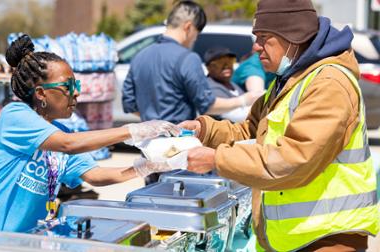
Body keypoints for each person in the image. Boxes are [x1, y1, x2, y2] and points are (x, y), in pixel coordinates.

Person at [178, 0, 379, 251]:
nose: (255, 46)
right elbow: (250, 130)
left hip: (326, 238)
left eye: (264, 37)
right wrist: (203, 130)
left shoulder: (329, 83)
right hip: (292, 237)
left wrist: (217, 160)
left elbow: (296, 159)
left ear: (294, 37)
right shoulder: (289, 80)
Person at [0, 35, 179, 233]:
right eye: (68, 87)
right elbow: (67, 145)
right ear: (41, 94)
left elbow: (96, 175)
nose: (76, 94)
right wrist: (132, 130)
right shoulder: (15, 116)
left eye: (77, 86)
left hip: (14, 240)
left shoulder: (63, 132)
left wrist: (145, 167)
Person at [122, 0, 251, 125]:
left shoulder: (139, 56)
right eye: (197, 33)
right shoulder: (188, 58)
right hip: (178, 139)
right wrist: (244, 100)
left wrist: (152, 122)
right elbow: (207, 105)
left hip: (146, 140)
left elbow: (129, 104)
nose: (195, 38)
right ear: (188, 27)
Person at [204, 47, 262, 122]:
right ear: (209, 68)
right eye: (220, 63)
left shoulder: (234, 85)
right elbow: (234, 116)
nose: (226, 66)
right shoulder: (209, 87)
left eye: (230, 61)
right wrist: (244, 100)